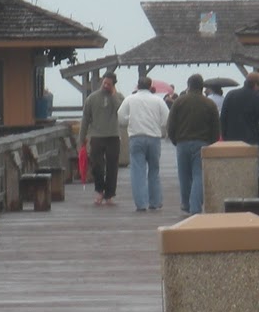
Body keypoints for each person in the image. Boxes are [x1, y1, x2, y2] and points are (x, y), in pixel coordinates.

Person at [165, 72, 221, 213]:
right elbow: (216, 128)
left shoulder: (179, 102)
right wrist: (211, 143)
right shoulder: (209, 104)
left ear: (188, 86)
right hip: (202, 143)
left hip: (182, 143)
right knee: (198, 175)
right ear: (202, 87)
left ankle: (185, 203)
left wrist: (174, 140)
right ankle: (195, 207)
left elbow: (171, 125)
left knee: (184, 175)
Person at [118, 74, 169, 211]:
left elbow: (120, 117)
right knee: (154, 170)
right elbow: (166, 119)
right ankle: (155, 201)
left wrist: (131, 120)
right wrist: (157, 124)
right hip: (154, 138)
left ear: (137, 86)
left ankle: (141, 203)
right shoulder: (158, 100)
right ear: (151, 86)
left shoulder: (130, 99)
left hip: (136, 137)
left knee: (138, 171)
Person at [79, 72, 124, 206]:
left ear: (113, 85)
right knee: (97, 165)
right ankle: (99, 190)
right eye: (104, 83)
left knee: (112, 166)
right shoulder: (92, 98)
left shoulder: (118, 97)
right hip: (97, 137)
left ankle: (109, 194)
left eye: (109, 84)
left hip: (113, 136)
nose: (106, 86)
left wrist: (113, 94)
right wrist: (81, 138)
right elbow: (85, 119)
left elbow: (120, 110)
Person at [219, 71, 259, 146]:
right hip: (251, 141)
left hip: (231, 140)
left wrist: (225, 136)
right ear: (256, 85)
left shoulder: (230, 94)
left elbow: (223, 118)